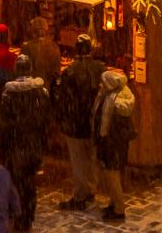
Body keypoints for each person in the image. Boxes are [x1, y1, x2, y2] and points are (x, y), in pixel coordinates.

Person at [0, 55, 51, 231]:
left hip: (15, 146)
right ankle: (28, 215)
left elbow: (4, 125)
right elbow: (44, 123)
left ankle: (19, 217)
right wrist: (42, 145)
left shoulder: (8, 95)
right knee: (29, 183)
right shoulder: (40, 93)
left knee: (17, 183)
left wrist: (4, 148)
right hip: (33, 145)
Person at [53, 35, 105, 210]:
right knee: (91, 157)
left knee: (78, 161)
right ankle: (90, 188)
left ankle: (81, 194)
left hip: (75, 122)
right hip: (93, 121)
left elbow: (63, 98)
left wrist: (62, 118)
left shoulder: (70, 72)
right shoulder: (99, 69)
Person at [93, 71, 136, 222]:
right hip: (113, 143)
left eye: (103, 83)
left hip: (112, 144)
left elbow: (113, 127)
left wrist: (106, 141)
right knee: (111, 176)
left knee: (113, 176)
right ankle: (113, 203)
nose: (100, 85)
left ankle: (119, 209)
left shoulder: (114, 101)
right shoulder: (113, 94)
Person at [20, 17, 60, 84]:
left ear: (33, 31)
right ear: (46, 30)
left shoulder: (26, 47)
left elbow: (21, 70)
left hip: (31, 87)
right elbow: (56, 72)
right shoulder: (54, 47)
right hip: (47, 86)